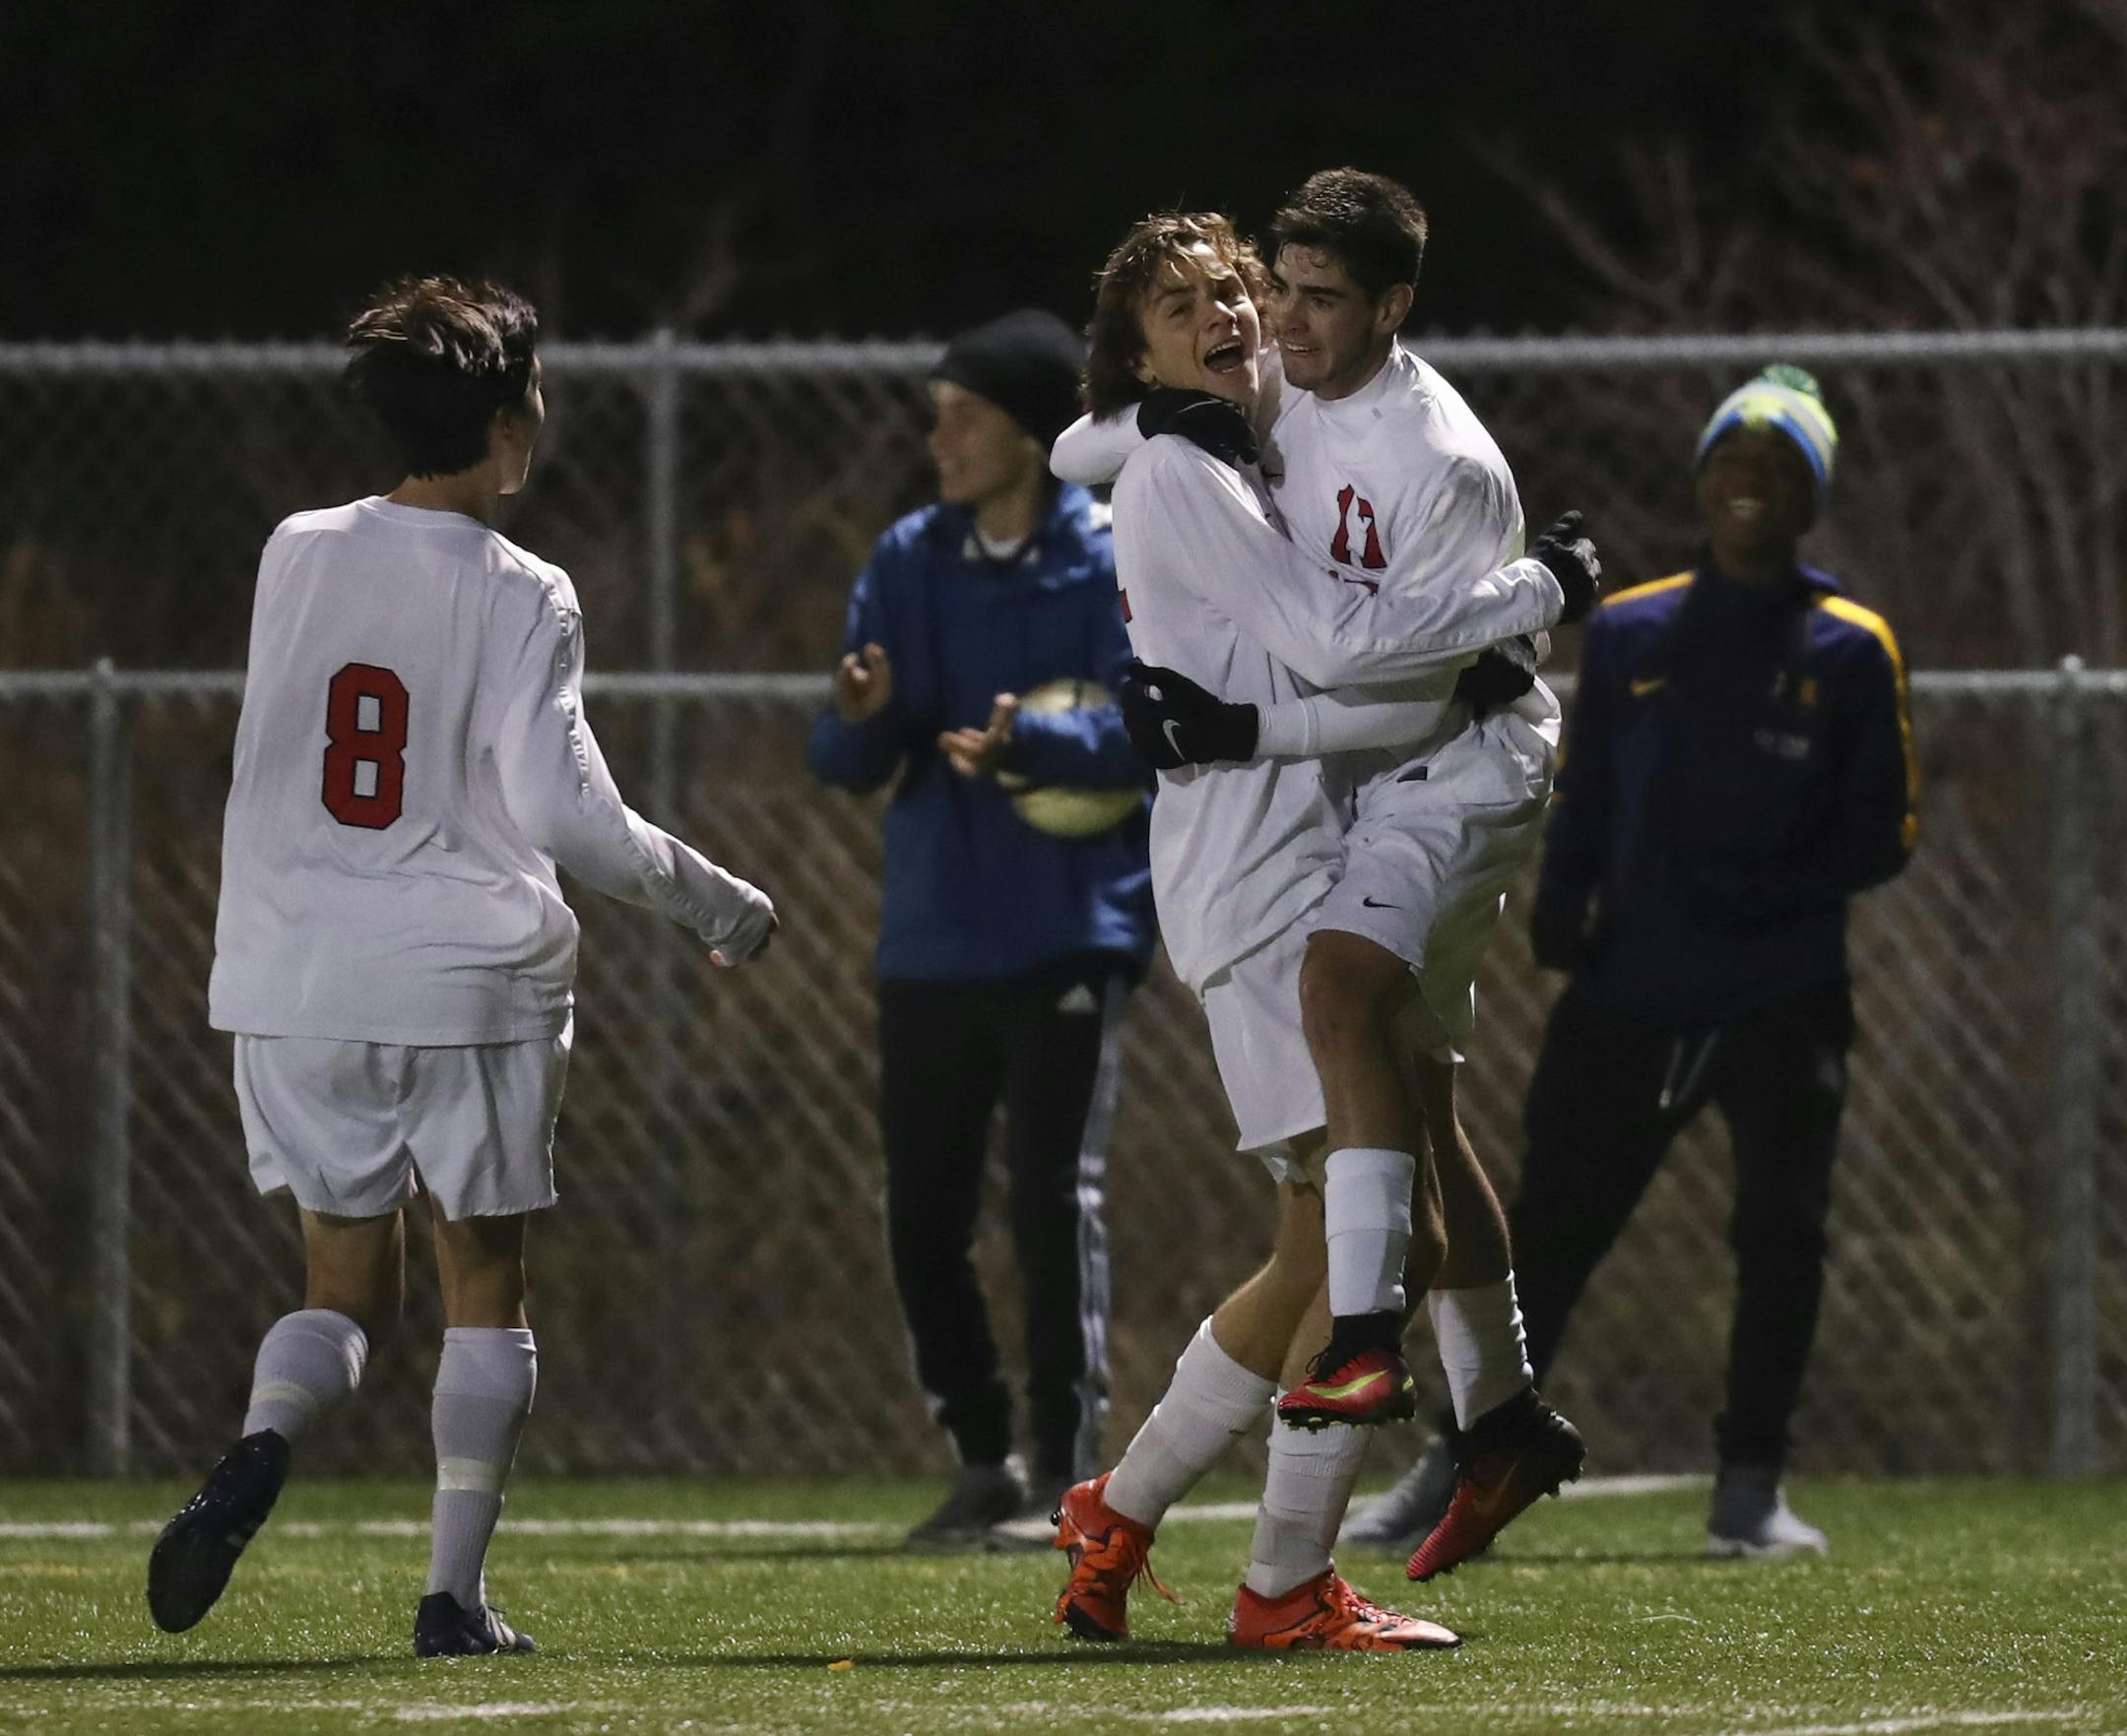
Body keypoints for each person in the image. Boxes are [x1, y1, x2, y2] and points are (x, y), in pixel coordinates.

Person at [147, 277, 776, 1656]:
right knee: (483, 1281)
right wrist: (719, 902)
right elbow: (566, 817)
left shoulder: (295, 549)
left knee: (339, 1286)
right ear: (504, 426)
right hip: (465, 981)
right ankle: (452, 1597)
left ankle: (261, 1440)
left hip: (295, 977)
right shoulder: (524, 588)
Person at [1048, 210, 1593, 1651]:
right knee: (1369, 1242)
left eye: (1240, 285)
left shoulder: (1210, 440)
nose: (1236, 310)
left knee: (1344, 1220)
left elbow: (1079, 448)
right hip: (1265, 865)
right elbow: (1348, 651)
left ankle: (1131, 1504)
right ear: (1140, 355)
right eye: (1188, 303)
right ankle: (1284, 1580)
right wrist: (1540, 595)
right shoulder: (1189, 467)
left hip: (1296, 845)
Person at [1355, 365, 1917, 1560]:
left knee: (1780, 1235)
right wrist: (1563, 912)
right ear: (1704, 480)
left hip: (1782, 994)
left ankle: (1749, 1484)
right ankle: (1461, 1464)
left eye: (1777, 466)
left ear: (1808, 495)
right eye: (1731, 460)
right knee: (1545, 1228)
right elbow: (1590, 788)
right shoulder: (1632, 630)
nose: (1747, 483)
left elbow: (1888, 828)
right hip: (1633, 987)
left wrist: (1775, 882)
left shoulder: (1851, 646)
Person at [806, 309, 1155, 1550]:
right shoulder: (911, 556)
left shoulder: (1110, 552)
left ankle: (1070, 1469)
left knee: (1054, 1200)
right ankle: (982, 1454)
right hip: (937, 934)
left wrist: (1033, 744)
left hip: (1069, 925)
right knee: (924, 1212)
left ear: (1025, 431)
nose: (936, 436)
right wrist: (859, 716)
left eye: (961, 413)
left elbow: (1149, 728)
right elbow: (846, 755)